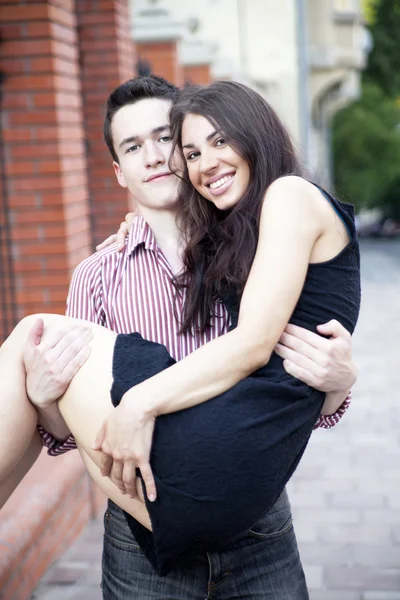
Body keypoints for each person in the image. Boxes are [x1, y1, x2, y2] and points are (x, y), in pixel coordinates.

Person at [2, 76, 357, 599]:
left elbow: (291, 392)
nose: (156, 156)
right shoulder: (97, 275)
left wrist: (341, 383)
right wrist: (42, 398)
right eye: (133, 146)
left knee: (26, 333)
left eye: (167, 140)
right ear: (120, 172)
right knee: (32, 344)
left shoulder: (250, 245)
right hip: (141, 536)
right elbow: (68, 434)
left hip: (254, 529)